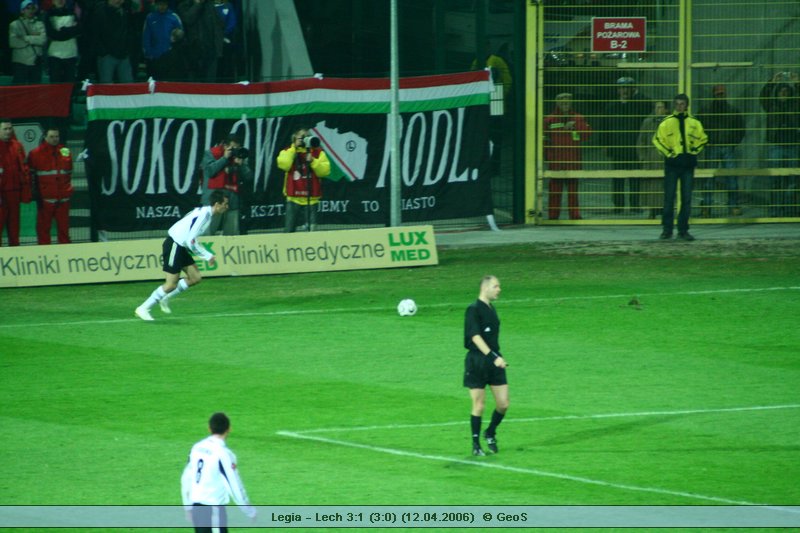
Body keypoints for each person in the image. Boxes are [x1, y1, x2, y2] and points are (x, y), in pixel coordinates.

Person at [134, 190, 229, 321]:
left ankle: (166, 298)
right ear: (217, 204)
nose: (226, 207)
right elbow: (191, 241)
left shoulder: (203, 212)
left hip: (180, 245)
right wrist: (207, 256)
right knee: (170, 284)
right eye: (225, 204)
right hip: (174, 244)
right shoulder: (204, 215)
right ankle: (144, 308)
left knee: (195, 277)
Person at [181, 412, 257, 532]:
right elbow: (234, 486)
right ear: (229, 429)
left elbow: (186, 478)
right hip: (213, 511)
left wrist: (188, 506)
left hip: (196, 508)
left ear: (209, 428)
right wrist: (249, 511)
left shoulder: (196, 448)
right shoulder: (224, 454)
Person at [463, 275, 509, 456]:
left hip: (494, 360)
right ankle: (475, 445)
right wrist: (492, 356)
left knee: (503, 404)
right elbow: (475, 336)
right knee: (479, 404)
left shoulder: (492, 308)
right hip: (477, 361)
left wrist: (495, 357)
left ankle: (490, 432)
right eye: (496, 286)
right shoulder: (473, 309)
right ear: (485, 288)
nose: (499, 289)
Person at [653, 94, 708, 241]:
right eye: (677, 104)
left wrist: (693, 152)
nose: (679, 106)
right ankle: (667, 230)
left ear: (687, 105)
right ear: (673, 105)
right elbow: (657, 140)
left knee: (687, 199)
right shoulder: (667, 122)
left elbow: (703, 139)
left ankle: (683, 230)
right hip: (672, 165)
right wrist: (670, 154)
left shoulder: (694, 122)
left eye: (682, 104)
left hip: (688, 165)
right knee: (669, 198)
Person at [602, 76, 651, 214]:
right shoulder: (611, 106)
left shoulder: (641, 104)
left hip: (635, 148)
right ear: (618, 90)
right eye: (622, 88)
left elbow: (648, 111)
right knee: (618, 178)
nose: (624, 90)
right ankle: (618, 206)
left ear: (633, 88)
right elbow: (604, 127)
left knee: (635, 178)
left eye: (628, 87)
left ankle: (635, 205)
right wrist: (605, 145)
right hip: (617, 148)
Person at [697, 84, 746, 217]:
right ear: (714, 95)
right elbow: (697, 128)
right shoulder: (706, 111)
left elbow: (741, 129)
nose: (720, 96)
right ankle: (707, 206)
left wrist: (733, 143)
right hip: (711, 147)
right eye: (718, 94)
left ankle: (733, 205)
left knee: (731, 177)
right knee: (709, 178)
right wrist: (705, 142)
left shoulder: (731, 111)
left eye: (722, 93)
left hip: (727, 147)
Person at [543, 92, 591, 220]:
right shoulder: (549, 120)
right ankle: (553, 216)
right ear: (557, 103)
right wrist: (547, 157)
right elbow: (544, 140)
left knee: (573, 191)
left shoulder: (578, 118)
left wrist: (575, 126)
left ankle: (574, 215)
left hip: (572, 160)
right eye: (562, 102)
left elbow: (586, 135)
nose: (565, 104)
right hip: (556, 162)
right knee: (555, 191)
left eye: (568, 102)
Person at [760, 72, 800, 217]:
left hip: (792, 144)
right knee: (775, 178)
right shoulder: (771, 106)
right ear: (777, 93)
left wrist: (797, 83)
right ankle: (776, 210)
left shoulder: (795, 105)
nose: (784, 93)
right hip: (776, 145)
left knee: (792, 178)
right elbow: (763, 97)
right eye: (781, 91)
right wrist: (771, 82)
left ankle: (789, 210)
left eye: (786, 91)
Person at [276, 127, 331, 233]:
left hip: (311, 199)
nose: (305, 139)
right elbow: (284, 165)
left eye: (307, 137)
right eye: (302, 137)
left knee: (311, 232)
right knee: (289, 231)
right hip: (293, 198)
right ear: (295, 137)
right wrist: (294, 148)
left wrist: (313, 161)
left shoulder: (318, 152)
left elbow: (325, 171)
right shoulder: (287, 151)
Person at [27, 125, 73, 244]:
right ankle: (45, 254)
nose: (55, 139)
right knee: (43, 230)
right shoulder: (35, 154)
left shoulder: (65, 151)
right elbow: (31, 176)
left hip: (63, 199)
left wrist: (67, 190)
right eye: (52, 136)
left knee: (64, 231)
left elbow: (68, 173)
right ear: (45, 137)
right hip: (45, 200)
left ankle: (66, 254)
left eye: (57, 136)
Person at [200, 133, 251, 235]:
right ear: (225, 145)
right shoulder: (211, 153)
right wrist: (224, 158)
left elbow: (249, 176)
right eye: (232, 148)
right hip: (214, 200)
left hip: (232, 200)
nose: (235, 150)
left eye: (237, 148)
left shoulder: (239, 155)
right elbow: (209, 171)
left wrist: (241, 165)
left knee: (232, 233)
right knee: (207, 233)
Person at [0, 119, 32, 247]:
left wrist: (25, 191)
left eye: (10, 129)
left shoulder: (18, 146)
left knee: (14, 227)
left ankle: (15, 252)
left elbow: (24, 169)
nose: (8, 131)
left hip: (14, 193)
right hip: (1, 194)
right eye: (5, 129)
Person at [637, 100, 669, 219]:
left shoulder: (670, 122)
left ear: (666, 109)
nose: (658, 110)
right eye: (657, 107)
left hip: (666, 159)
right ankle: (652, 210)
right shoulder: (648, 122)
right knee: (651, 186)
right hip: (651, 159)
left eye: (661, 107)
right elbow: (641, 141)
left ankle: (664, 209)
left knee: (665, 186)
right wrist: (643, 158)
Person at [178, 0, 224, 82]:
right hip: (192, 52)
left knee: (210, 84)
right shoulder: (184, 5)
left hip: (211, 51)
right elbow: (188, 19)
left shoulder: (210, 5)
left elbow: (217, 26)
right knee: (194, 86)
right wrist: (198, 4)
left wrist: (218, 48)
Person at [142, 0, 185, 81]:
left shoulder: (174, 17)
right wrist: (149, 53)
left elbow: (180, 35)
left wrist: (174, 49)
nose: (162, 7)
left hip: (171, 58)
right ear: (156, 4)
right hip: (155, 58)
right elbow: (146, 37)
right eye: (160, 4)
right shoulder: (150, 17)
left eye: (164, 4)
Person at [93, 0, 134, 83]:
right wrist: (103, 52)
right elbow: (93, 34)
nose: (118, 1)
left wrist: (128, 48)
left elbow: (131, 31)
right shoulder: (99, 11)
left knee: (128, 86)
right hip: (106, 56)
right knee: (106, 87)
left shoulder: (126, 10)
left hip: (124, 54)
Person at [8, 0, 46, 85]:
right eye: (28, 8)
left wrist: (24, 37)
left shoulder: (40, 24)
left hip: (35, 63)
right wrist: (34, 37)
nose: (31, 10)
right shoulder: (15, 25)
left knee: (34, 91)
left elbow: (42, 40)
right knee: (19, 91)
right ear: (22, 10)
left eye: (32, 8)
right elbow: (13, 42)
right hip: (20, 63)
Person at [43, 0, 80, 83]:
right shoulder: (48, 15)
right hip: (54, 55)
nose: (60, 1)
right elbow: (52, 34)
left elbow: (78, 30)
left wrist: (62, 30)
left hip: (71, 54)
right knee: (55, 85)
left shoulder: (72, 13)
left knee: (69, 85)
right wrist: (69, 31)